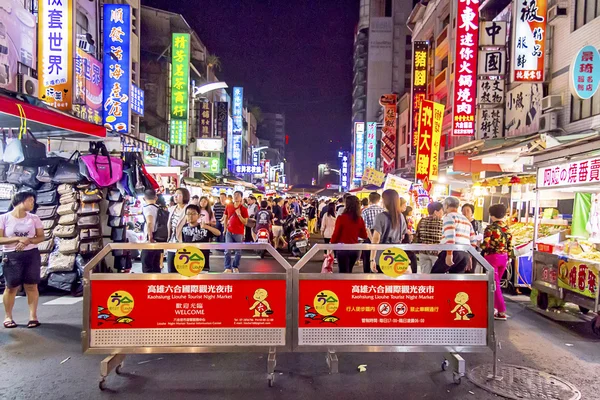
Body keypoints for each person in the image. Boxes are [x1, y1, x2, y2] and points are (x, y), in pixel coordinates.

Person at [0, 192, 44, 329]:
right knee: (11, 287)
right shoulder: (4, 218)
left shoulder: (34, 218)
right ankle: (8, 317)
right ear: (21, 201)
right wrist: (18, 239)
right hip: (11, 255)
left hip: (31, 254)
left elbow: (41, 237)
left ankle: (33, 316)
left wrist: (28, 241)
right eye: (30, 201)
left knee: (31, 285)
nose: (32, 203)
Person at [481, 203, 513, 321]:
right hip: (503, 258)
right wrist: (508, 256)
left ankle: (501, 311)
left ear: (491, 215)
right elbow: (510, 246)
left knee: (494, 285)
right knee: (496, 284)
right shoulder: (507, 228)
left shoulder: (490, 228)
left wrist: (480, 244)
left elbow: (485, 244)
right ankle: (493, 308)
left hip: (492, 258)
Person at [431, 196, 477, 274]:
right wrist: (469, 257)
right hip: (464, 253)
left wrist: (449, 254)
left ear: (446, 205)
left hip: (453, 251)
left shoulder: (449, 217)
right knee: (456, 279)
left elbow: (450, 236)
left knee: (435, 275)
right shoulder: (466, 219)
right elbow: (473, 240)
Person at [369, 190, 410, 274]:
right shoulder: (401, 216)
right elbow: (402, 236)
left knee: (382, 283)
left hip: (382, 255)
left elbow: (376, 239)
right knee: (394, 283)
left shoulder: (380, 217)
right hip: (397, 254)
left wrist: (372, 259)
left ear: (384, 201)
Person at [331, 195, 369, 273]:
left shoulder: (341, 218)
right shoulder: (359, 219)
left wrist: (331, 244)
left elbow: (336, 234)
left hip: (342, 248)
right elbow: (364, 235)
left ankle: (343, 285)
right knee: (349, 270)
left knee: (343, 271)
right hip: (355, 249)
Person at [181, 204, 221, 273]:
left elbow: (218, 233)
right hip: (188, 260)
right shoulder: (184, 227)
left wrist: (206, 227)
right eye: (188, 214)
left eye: (193, 213)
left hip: (203, 260)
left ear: (199, 215)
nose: (190, 216)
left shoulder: (204, 227)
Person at [414, 201, 444, 273]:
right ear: (436, 212)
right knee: (437, 276)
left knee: (425, 276)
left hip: (423, 252)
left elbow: (417, 235)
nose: (442, 213)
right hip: (436, 253)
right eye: (441, 211)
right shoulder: (441, 222)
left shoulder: (422, 221)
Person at [223, 191, 248, 273]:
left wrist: (239, 215)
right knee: (227, 250)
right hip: (229, 231)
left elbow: (245, 222)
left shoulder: (243, 209)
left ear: (241, 198)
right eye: (235, 195)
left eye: (238, 195)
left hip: (239, 232)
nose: (236, 197)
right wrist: (225, 228)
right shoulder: (229, 206)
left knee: (238, 251)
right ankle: (227, 267)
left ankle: (235, 266)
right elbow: (226, 218)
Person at [166, 187, 190, 273]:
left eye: (179, 194)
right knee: (171, 269)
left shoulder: (189, 209)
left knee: (182, 270)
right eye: (175, 195)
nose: (175, 197)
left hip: (183, 243)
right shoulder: (172, 208)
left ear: (185, 196)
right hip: (171, 242)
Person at [361, 192, 385, 273]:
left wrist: (372, 240)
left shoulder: (365, 211)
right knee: (380, 260)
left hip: (369, 239)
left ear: (369, 200)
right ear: (379, 200)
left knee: (368, 260)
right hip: (381, 238)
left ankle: (367, 278)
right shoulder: (383, 211)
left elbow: (366, 227)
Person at [141, 189, 163, 273]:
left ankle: (148, 285)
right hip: (159, 239)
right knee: (156, 266)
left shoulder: (147, 208)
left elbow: (149, 222)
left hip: (150, 240)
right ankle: (156, 285)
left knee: (147, 267)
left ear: (144, 198)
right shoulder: (158, 208)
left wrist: (150, 237)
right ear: (156, 197)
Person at [401, 204, 418, 273]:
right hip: (404, 240)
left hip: (404, 240)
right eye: (403, 205)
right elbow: (404, 229)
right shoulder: (402, 217)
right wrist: (409, 233)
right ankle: (414, 273)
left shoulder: (404, 217)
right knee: (413, 257)